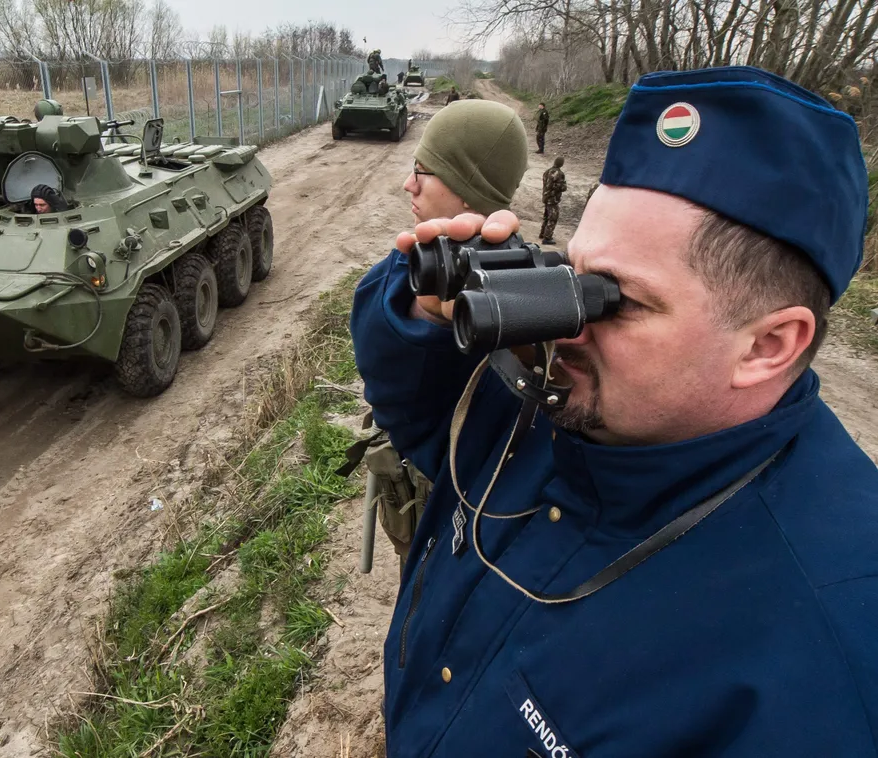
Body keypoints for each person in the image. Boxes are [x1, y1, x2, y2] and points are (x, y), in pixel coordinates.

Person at [351, 65, 877, 756]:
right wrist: (420, 308)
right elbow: (412, 409)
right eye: (573, 276)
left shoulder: (827, 660)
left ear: (768, 345)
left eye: (616, 301)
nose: (565, 326)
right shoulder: (565, 406)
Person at [345, 99, 527, 570]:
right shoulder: (523, 275)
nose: (409, 183)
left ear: (467, 192)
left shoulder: (419, 276)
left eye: (424, 171)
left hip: (442, 514)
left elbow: (383, 372)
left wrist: (424, 317)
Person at [539, 156, 566, 244]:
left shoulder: (547, 171)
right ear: (561, 164)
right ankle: (547, 237)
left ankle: (543, 233)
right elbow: (562, 187)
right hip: (553, 199)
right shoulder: (559, 174)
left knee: (546, 216)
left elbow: (546, 184)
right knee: (553, 218)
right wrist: (564, 186)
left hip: (546, 197)